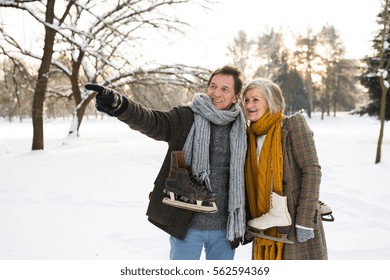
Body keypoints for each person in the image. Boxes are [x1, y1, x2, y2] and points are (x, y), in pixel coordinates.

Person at [84, 65, 247, 260]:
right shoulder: (186, 117)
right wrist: (121, 105)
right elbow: (152, 121)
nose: (216, 93)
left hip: (226, 229)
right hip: (186, 225)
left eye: (224, 89)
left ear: (236, 97)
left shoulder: (243, 130)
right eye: (213, 86)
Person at [242, 78, 327, 260]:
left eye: (255, 99)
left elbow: (311, 170)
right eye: (246, 100)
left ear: (271, 101)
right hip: (264, 226)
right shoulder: (249, 136)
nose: (249, 104)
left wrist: (305, 220)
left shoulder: (291, 126)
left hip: (294, 223)